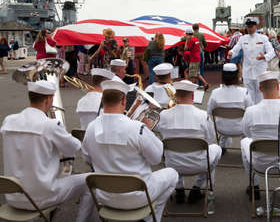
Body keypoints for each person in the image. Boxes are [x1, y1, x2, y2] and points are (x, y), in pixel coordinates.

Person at [1, 80, 97, 221]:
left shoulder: (8, 121)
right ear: (48, 99)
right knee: (91, 181)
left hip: (12, 196)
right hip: (41, 197)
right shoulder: (50, 125)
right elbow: (75, 147)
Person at [82, 80, 178, 222]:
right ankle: (151, 218)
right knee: (172, 174)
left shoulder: (91, 127)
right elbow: (156, 159)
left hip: (105, 196)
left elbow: (87, 160)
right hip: (138, 197)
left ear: (102, 100)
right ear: (124, 101)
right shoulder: (137, 128)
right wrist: (146, 131)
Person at [155, 80, 222, 204]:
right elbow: (211, 139)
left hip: (172, 164)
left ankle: (179, 189)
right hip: (199, 164)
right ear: (192, 95)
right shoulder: (203, 115)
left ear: (175, 95)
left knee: (172, 147)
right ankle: (197, 187)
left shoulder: (164, 115)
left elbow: (157, 132)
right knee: (217, 149)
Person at [241, 71, 280, 200]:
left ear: (259, 89)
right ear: (278, 87)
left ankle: (255, 186)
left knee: (245, 141)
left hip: (259, 162)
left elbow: (247, 133)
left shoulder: (251, 111)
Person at [228, 17, 275, 104]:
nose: (249, 29)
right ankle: (251, 112)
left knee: (260, 93)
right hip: (248, 71)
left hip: (260, 71)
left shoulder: (263, 38)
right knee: (249, 94)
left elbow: (272, 52)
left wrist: (264, 57)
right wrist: (231, 53)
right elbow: (236, 49)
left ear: (256, 26)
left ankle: (260, 111)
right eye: (248, 27)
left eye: (251, 26)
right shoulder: (243, 38)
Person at [207, 63, 253, 153]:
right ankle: (245, 147)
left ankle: (222, 145)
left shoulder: (215, 92)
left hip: (221, 128)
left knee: (223, 120)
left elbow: (209, 111)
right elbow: (250, 111)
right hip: (240, 129)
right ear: (236, 76)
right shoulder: (244, 92)